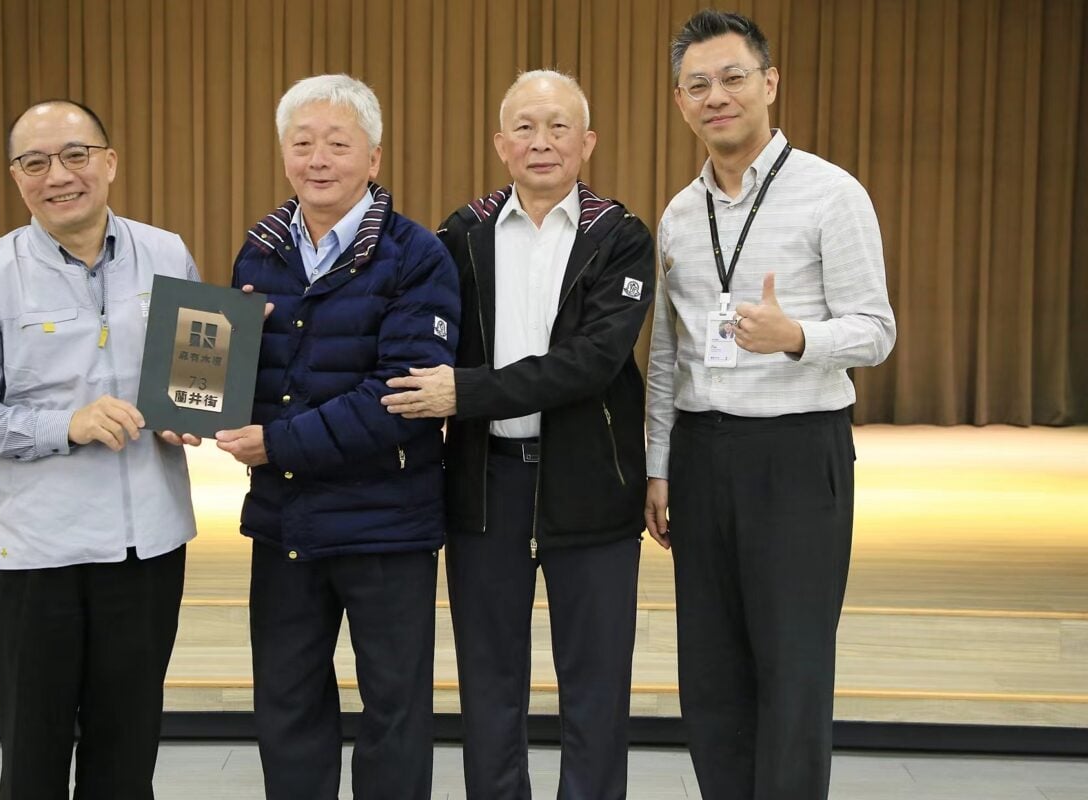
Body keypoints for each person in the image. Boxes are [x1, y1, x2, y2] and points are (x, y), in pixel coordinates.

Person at [644, 10, 897, 799]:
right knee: (711, 674)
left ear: (769, 83)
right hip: (701, 455)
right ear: (682, 102)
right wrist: (659, 467)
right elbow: (665, 356)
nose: (717, 96)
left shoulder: (831, 193)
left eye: (733, 78)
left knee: (792, 671)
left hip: (796, 455)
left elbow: (876, 331)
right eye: (699, 85)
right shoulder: (680, 215)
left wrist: (797, 338)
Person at [383, 70, 654, 799]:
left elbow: (592, 364)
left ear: (587, 141)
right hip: (484, 485)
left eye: (559, 126)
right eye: (526, 128)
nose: (542, 142)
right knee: (489, 684)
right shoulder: (460, 234)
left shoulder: (620, 236)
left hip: (592, 484)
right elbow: (407, 327)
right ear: (500, 144)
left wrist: (466, 391)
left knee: (596, 688)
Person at [0, 99, 199, 799]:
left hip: (148, 545)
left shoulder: (168, 253)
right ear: (15, 177)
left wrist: (199, 409)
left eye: (76, 155)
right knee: (34, 753)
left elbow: (193, 375)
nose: (59, 175)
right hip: (39, 553)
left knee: (128, 749)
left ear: (110, 162)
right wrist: (65, 425)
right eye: (35, 162)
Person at [217, 74, 459, 799]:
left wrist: (277, 444)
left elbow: (401, 397)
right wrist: (194, 402)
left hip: (387, 524)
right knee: (287, 705)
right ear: (283, 153)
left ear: (374, 159)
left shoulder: (418, 256)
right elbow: (235, 381)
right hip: (285, 521)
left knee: (394, 709)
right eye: (302, 143)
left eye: (337, 143)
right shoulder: (260, 251)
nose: (317, 159)